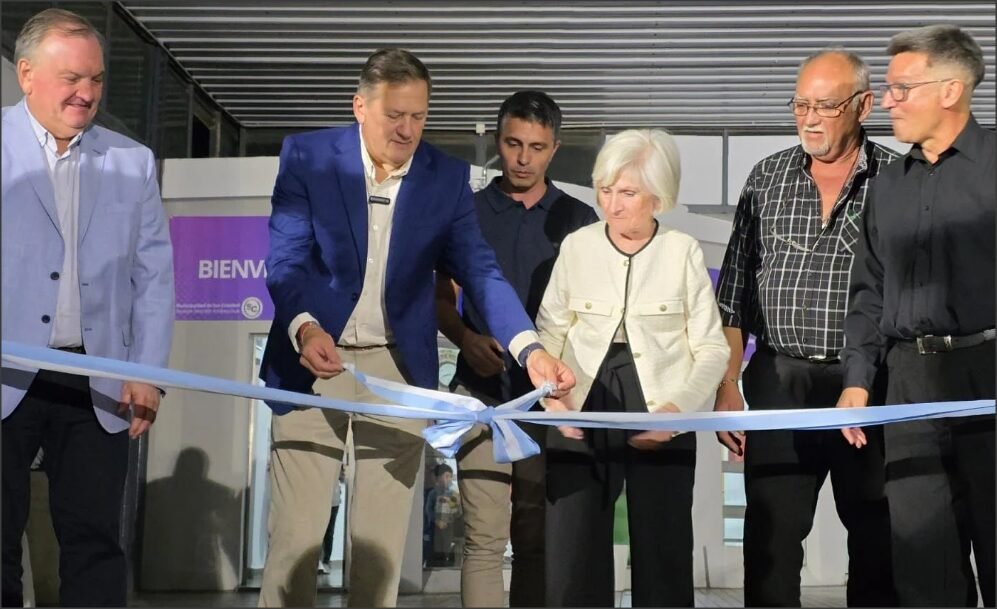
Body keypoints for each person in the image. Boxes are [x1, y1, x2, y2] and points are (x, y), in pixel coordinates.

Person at [257, 48, 575, 608]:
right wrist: (306, 329)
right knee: (297, 542)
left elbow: (479, 271)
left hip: (397, 373)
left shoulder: (445, 179)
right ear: (360, 106)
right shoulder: (307, 156)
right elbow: (285, 261)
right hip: (310, 365)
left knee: (378, 555)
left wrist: (530, 350)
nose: (408, 130)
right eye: (394, 115)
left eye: (419, 116)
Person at [713, 48, 900, 607]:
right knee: (769, 544)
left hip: (868, 388)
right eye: (800, 105)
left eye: (826, 106)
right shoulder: (765, 179)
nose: (810, 118)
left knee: (876, 541)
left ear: (863, 105)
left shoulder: (895, 180)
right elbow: (734, 299)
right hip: (778, 384)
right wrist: (727, 387)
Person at [1, 8, 175, 607]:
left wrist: (147, 375)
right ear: (26, 74)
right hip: (4, 374)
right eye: (72, 77)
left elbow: (154, 278)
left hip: (97, 379)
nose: (87, 92)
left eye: (96, 79)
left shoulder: (133, 161)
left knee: (96, 541)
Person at [536, 128, 730, 607]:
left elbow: (711, 348)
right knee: (572, 552)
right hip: (581, 400)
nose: (613, 205)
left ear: (659, 198)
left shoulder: (681, 251)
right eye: (605, 189)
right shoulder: (577, 246)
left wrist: (676, 412)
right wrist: (553, 399)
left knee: (663, 552)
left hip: (662, 402)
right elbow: (549, 335)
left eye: (628, 193)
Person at [837, 25, 994, 607]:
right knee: (922, 558)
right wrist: (857, 382)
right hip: (909, 386)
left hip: (989, 376)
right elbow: (869, 291)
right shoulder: (887, 186)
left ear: (951, 90)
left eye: (902, 88)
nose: (886, 102)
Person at [434, 90, 598, 607]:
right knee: (483, 538)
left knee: (535, 538)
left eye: (536, 146)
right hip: (480, 396)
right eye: (512, 143)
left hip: (548, 403)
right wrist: (465, 337)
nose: (523, 158)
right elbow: (441, 299)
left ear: (554, 149)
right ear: (497, 142)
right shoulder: (466, 212)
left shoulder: (579, 219)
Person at [424, 463, 462, 566]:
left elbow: (457, 512)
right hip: (434, 527)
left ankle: (447, 562)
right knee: (435, 548)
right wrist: (436, 520)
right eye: (446, 476)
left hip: (448, 527)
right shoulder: (433, 493)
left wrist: (451, 502)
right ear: (438, 478)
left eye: (450, 476)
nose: (448, 479)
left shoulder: (453, 494)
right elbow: (428, 509)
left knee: (447, 548)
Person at [318, 466, 344, 575]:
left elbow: (343, 477)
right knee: (317, 532)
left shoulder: (338, 460)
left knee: (329, 533)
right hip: (319, 499)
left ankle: (326, 561)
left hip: (333, 501)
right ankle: (317, 561)